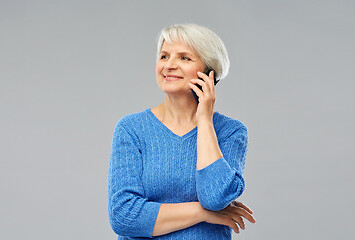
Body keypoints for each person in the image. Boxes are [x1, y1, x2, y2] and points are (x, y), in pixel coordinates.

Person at [107, 23, 256, 239]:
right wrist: (203, 213)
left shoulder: (231, 132)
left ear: (209, 72)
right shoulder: (132, 129)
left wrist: (204, 120)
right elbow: (124, 216)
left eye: (184, 58)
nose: (169, 65)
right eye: (164, 56)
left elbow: (215, 197)